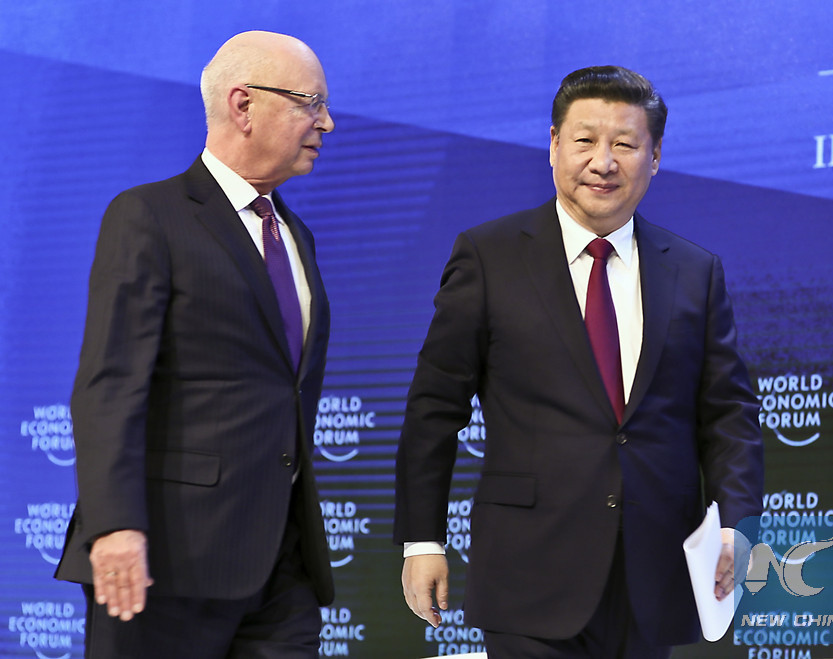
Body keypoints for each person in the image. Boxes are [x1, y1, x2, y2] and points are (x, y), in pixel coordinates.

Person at [394, 65, 763, 658]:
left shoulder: (695, 271)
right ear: (554, 146)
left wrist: (735, 526)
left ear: (655, 156)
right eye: (585, 140)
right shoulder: (488, 256)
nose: (603, 161)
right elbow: (433, 409)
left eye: (625, 144)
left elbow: (728, 415)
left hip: (654, 574)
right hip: (528, 573)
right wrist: (422, 541)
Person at [55, 30, 336, 658]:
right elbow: (110, 384)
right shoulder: (149, 216)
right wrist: (114, 525)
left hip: (282, 563)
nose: (327, 123)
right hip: (165, 562)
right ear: (243, 105)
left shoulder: (296, 234)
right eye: (310, 103)